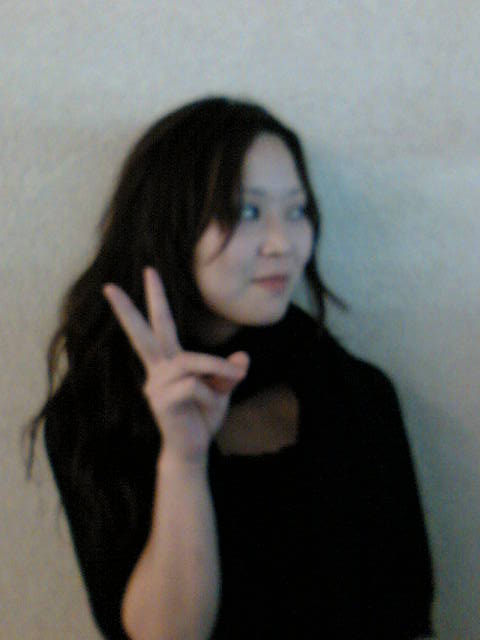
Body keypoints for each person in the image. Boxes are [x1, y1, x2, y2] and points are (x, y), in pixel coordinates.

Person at [25, 97, 434, 639]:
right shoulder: (95, 417)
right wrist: (184, 460)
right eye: (246, 212)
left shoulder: (358, 393)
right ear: (171, 226)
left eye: (297, 210)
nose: (283, 244)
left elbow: (406, 611)